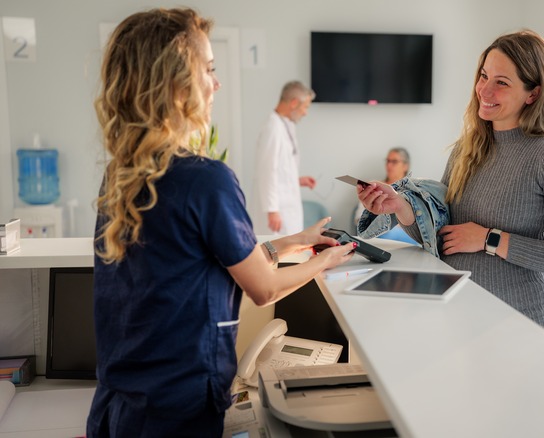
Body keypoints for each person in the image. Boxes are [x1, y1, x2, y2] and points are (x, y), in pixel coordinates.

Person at [88, 8, 355, 436]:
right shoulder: (205, 179)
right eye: (209, 69)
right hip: (177, 411)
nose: (217, 83)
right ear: (174, 84)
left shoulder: (122, 178)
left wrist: (292, 242)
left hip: (118, 407)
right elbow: (263, 288)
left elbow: (202, 265)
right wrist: (327, 261)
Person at [356, 30, 544, 340]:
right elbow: (440, 234)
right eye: (484, 76)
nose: (485, 90)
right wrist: (399, 206)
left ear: (532, 94)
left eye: (502, 83)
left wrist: (488, 239)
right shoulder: (466, 149)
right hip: (462, 318)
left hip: (523, 324)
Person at [253, 80, 318, 236]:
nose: (305, 112)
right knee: (280, 255)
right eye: (305, 107)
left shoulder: (285, 124)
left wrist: (297, 180)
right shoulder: (273, 127)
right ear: (294, 103)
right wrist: (272, 210)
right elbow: (267, 170)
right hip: (278, 210)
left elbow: (282, 168)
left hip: (286, 205)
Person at [353, 147, 416, 245]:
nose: (389, 165)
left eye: (394, 161)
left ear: (405, 166)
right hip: (381, 234)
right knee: (383, 233)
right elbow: (359, 219)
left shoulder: (414, 191)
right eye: (387, 161)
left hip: (407, 235)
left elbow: (418, 225)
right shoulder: (374, 187)